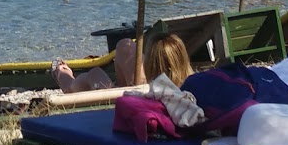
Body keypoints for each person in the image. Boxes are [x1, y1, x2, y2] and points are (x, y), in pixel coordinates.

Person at [53, 32, 191, 93]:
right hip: (147, 84)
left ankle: (65, 79)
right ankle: (121, 84)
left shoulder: (151, 93)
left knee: (94, 74)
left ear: (151, 64)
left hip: (126, 95)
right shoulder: (192, 83)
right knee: (125, 44)